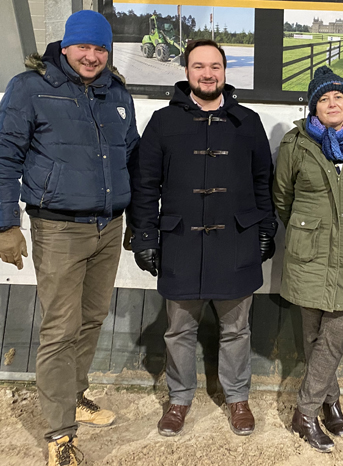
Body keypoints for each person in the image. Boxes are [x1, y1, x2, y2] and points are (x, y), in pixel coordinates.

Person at [0, 10, 139, 466]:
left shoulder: (117, 93)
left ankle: (74, 395)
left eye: (100, 49)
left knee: (91, 319)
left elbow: (131, 158)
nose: (92, 56)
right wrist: (3, 224)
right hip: (58, 228)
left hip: (109, 226)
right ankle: (59, 433)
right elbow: (3, 156)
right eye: (84, 47)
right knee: (60, 329)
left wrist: (138, 219)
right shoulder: (29, 88)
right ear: (66, 47)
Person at [128, 39, 276, 439]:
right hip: (181, 244)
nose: (207, 74)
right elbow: (145, 185)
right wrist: (145, 236)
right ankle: (179, 398)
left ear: (225, 72)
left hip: (237, 243)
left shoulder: (248, 121)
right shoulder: (163, 121)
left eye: (214, 66)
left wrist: (266, 228)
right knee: (178, 331)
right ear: (187, 72)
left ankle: (237, 397)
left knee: (237, 330)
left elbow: (263, 181)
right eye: (199, 66)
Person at [272, 66, 343, 453]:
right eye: (323, 98)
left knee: (332, 339)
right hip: (309, 254)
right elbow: (282, 197)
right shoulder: (296, 143)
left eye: (338, 97)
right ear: (313, 107)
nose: (332, 103)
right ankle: (330, 401)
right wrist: (309, 226)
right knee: (312, 337)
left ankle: (304, 412)